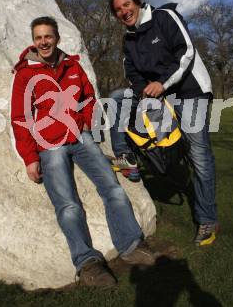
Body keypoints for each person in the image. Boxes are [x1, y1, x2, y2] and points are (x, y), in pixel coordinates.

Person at [11, 16, 155, 288]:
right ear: (33, 41)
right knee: (67, 205)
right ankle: (87, 263)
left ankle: (130, 244)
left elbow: (88, 97)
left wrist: (87, 121)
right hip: (49, 144)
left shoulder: (72, 65)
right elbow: (20, 118)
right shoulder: (25, 73)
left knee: (112, 187)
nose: (44, 41)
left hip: (80, 136)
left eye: (48, 36)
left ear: (56, 38)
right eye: (39, 37)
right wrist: (30, 158)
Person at [108, 0, 218, 246]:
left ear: (137, 2)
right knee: (117, 98)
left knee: (198, 156)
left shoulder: (164, 16)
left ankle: (207, 219)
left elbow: (186, 52)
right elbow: (133, 73)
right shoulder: (129, 40)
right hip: (159, 94)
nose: (124, 11)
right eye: (118, 10)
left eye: (127, 4)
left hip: (190, 91)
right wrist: (142, 94)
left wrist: (161, 83)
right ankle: (127, 159)